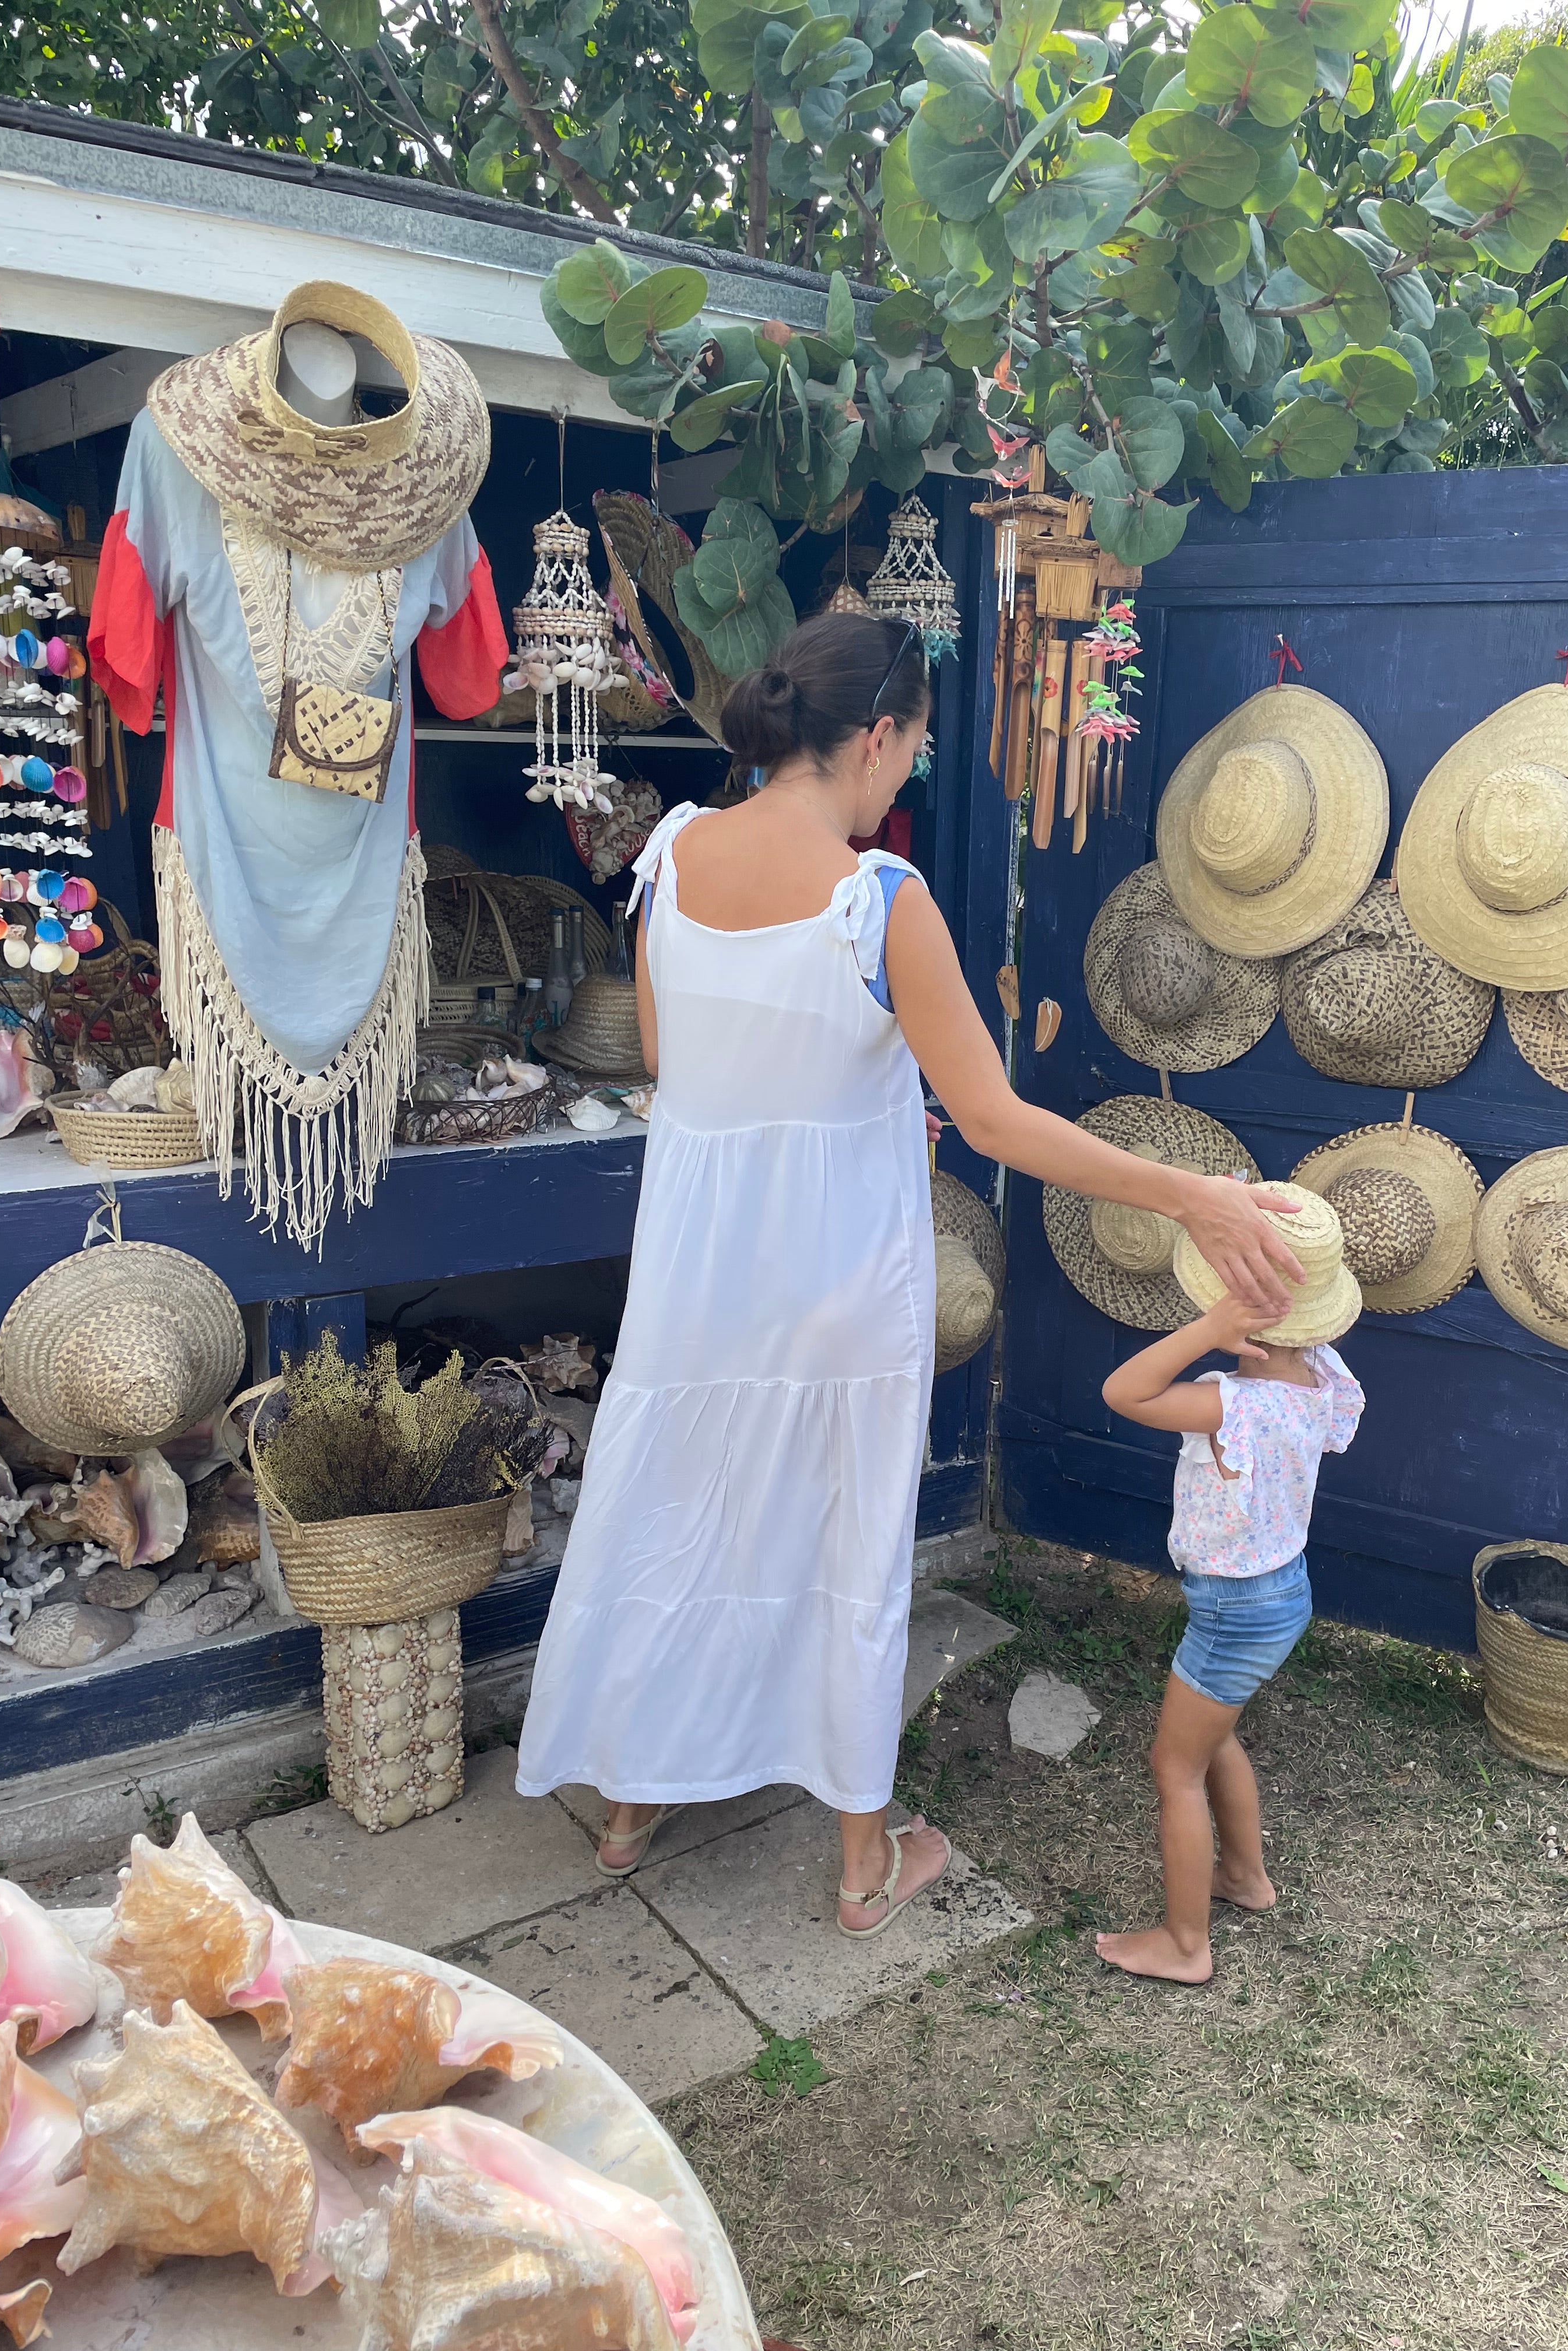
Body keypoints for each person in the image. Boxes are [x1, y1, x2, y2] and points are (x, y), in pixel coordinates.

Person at [517, 610, 1304, 1939]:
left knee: (674, 1508)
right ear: (876, 737)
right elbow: (993, 1121)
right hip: (835, 1269)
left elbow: (661, 1058)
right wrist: (1193, 1192)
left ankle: (629, 1806)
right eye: (914, 753)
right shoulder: (878, 899)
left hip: (700, 1270)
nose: (905, 779)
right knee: (845, 1540)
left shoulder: (672, 855)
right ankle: (860, 1862)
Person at [1094, 1282, 1364, 1985]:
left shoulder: (1233, 1404)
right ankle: (1244, 1876)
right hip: (1282, 1591)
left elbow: (1124, 1391)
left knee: (1174, 1767)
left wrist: (1208, 1331)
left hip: (1234, 1612)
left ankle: (1187, 1945)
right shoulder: (1319, 1376)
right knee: (1212, 1739)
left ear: (1247, 1324)